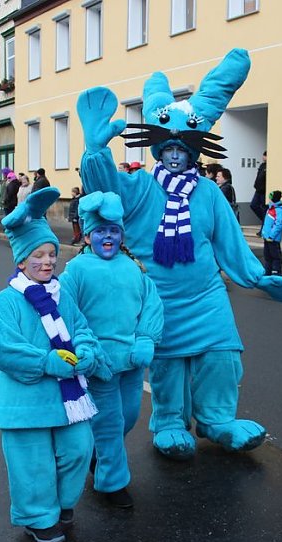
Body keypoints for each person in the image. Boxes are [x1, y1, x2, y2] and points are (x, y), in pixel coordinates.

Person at [76, 49, 282, 460]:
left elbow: (229, 242)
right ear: (158, 150)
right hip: (159, 298)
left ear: (194, 152)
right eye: (168, 149)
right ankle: (169, 422)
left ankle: (218, 421)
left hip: (206, 295)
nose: (176, 155)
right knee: (168, 367)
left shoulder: (209, 192)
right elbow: (103, 189)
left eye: (184, 149)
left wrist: (259, 277)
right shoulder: (141, 187)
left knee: (222, 355)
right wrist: (95, 151)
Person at [0, 187, 107, 542]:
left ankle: (63, 505)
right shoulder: (6, 302)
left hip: (69, 400)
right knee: (32, 464)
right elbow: (2, 350)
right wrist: (46, 362)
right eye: (38, 255)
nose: (48, 261)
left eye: (52, 254)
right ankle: (39, 517)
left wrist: (85, 351)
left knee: (78, 449)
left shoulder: (61, 294)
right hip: (25, 404)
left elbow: (82, 329)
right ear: (21, 261)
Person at [60, 191, 163, 509]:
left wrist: (145, 339)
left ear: (121, 235)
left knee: (129, 417)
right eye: (101, 231)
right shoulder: (76, 270)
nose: (108, 237)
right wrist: (86, 350)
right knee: (109, 423)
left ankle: (95, 454)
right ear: (87, 235)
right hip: (99, 366)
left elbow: (152, 304)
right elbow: (67, 315)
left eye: (114, 231)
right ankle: (112, 483)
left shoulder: (133, 267)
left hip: (132, 361)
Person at [261, 191, 282, 275]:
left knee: (275, 256)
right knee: (267, 256)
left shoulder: (279, 210)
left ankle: (276, 271)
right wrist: (264, 234)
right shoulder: (271, 208)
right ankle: (267, 271)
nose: (269, 200)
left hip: (273, 239)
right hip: (267, 237)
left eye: (270, 199)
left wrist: (271, 236)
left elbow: (278, 224)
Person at [250, 150, 267, 226]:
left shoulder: (269, 166)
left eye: (265, 156)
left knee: (264, 208)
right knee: (253, 205)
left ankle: (264, 225)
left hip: (264, 191)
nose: (263, 157)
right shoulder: (262, 165)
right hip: (258, 190)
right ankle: (265, 220)